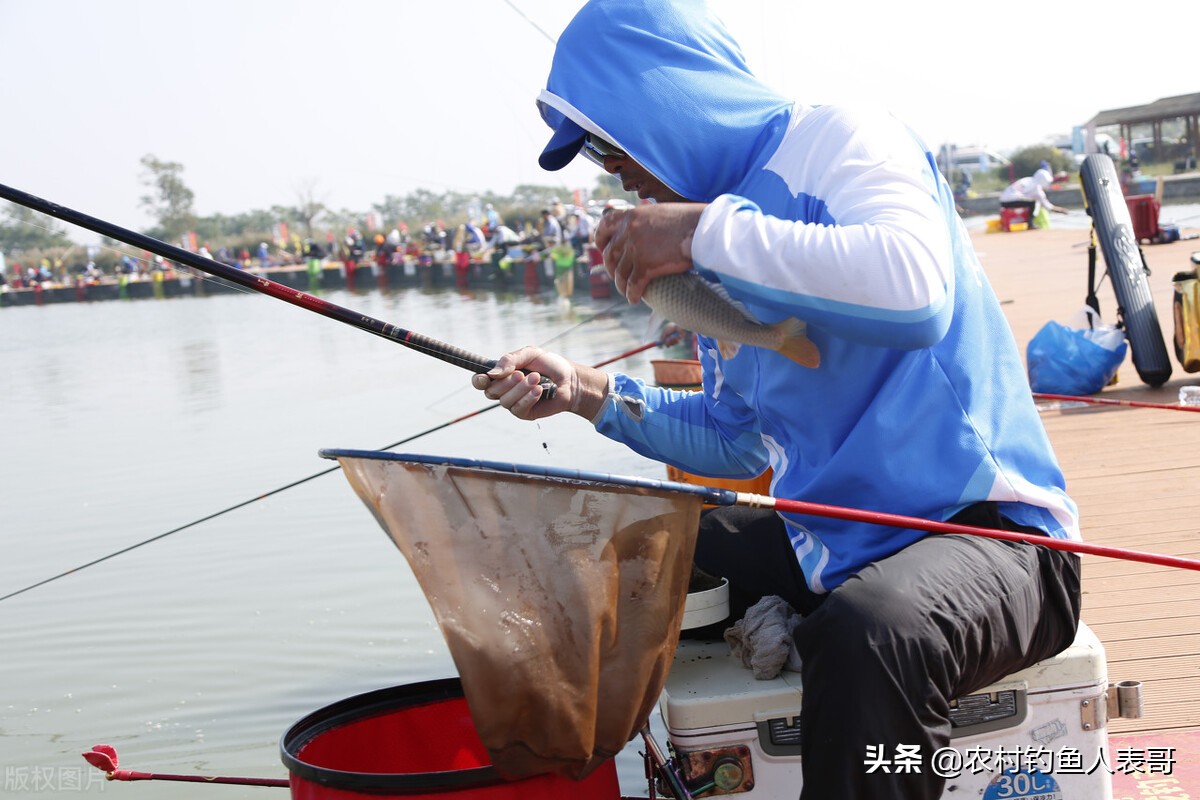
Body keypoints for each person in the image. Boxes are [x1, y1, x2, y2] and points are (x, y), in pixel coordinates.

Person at [471, 2, 1082, 798]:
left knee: (871, 633)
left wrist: (698, 234)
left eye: (607, 142)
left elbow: (916, 292)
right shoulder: (714, 237)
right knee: (635, 550)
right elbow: (735, 441)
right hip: (832, 542)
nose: (612, 171)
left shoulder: (842, 138)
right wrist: (586, 392)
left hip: (996, 542)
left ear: (662, 98)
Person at [999, 160, 1069, 228]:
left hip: (1003, 202)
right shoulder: (1037, 189)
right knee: (1036, 202)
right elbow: (1048, 206)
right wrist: (1062, 210)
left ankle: (1026, 222)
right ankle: (1030, 223)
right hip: (1011, 201)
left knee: (1030, 202)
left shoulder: (1027, 179)